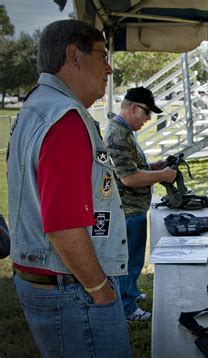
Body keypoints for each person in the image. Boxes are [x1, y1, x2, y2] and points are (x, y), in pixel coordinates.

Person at [7, 20, 132, 356]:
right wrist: (100, 289)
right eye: (102, 55)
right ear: (73, 56)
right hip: (73, 288)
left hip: (54, 281)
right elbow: (63, 225)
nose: (108, 68)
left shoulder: (37, 107)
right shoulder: (64, 118)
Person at [104, 86, 177, 321]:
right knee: (129, 260)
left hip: (133, 208)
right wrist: (164, 175)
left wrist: (157, 166)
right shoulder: (117, 134)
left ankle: (131, 293)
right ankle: (127, 307)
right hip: (128, 210)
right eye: (147, 113)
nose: (148, 119)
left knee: (133, 258)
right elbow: (129, 177)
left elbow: (134, 167)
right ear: (134, 108)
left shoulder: (124, 132)